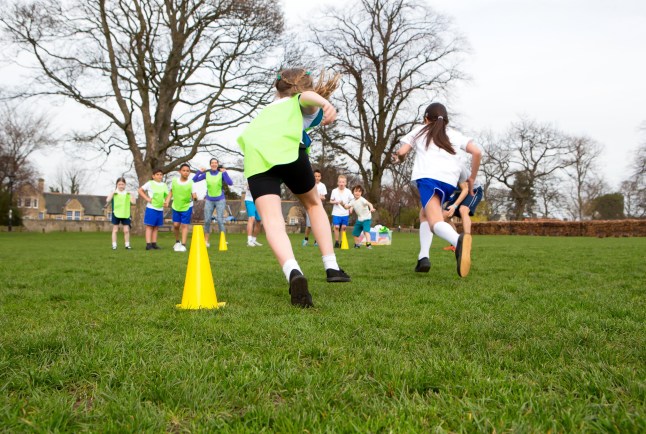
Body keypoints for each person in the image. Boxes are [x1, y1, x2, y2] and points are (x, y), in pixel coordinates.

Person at [237, 68, 350, 308]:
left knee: (272, 221)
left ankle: (293, 272)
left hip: (256, 158)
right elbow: (304, 99)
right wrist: (324, 102)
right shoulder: (298, 102)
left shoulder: (267, 110)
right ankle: (331, 266)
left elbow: (298, 96)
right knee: (313, 203)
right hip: (288, 153)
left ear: (276, 88)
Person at [393, 102, 481, 277]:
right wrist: (472, 177)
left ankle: (458, 242)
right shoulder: (454, 135)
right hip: (449, 182)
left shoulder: (421, 130)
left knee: (434, 223)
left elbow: (402, 152)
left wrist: (398, 158)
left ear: (426, 119)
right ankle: (423, 257)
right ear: (445, 120)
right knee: (424, 213)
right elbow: (477, 152)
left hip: (429, 179)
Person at [192, 158, 233, 248]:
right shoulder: (206, 174)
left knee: (219, 219)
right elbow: (194, 180)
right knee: (207, 220)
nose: (214, 164)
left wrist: (225, 172)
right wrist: (199, 171)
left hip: (220, 200)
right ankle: (206, 241)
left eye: (215, 163)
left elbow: (230, 183)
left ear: (217, 165)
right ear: (210, 165)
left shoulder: (221, 174)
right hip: (209, 200)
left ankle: (223, 240)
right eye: (212, 163)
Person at [164, 163, 197, 252]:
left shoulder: (191, 182)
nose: (186, 172)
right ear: (180, 171)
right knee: (176, 225)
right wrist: (167, 201)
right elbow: (171, 192)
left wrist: (195, 198)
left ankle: (183, 244)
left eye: (187, 171)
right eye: (184, 170)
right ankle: (177, 242)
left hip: (187, 206)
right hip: (176, 206)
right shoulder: (174, 181)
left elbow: (194, 194)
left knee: (184, 225)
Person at [138, 168, 169, 250]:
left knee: (156, 227)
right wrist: (147, 199)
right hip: (151, 208)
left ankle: (154, 244)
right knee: (150, 226)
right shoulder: (150, 183)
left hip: (160, 209)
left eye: (161, 175)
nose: (159, 176)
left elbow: (167, 196)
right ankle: (148, 244)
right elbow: (140, 190)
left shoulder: (164, 185)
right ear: (153, 176)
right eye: (157, 174)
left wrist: (166, 202)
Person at [106, 177, 135, 250]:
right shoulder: (114, 193)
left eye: (122, 184)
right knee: (115, 230)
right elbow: (108, 200)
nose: (121, 186)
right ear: (117, 185)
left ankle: (127, 245)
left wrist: (131, 194)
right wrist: (112, 193)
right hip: (116, 213)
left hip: (125, 213)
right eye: (119, 184)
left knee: (126, 230)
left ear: (125, 185)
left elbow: (133, 202)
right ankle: (114, 245)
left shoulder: (127, 193)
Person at [344, 185, 376, 249]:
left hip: (366, 219)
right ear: (353, 192)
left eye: (359, 191)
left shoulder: (362, 200)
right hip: (359, 220)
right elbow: (348, 206)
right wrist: (346, 206)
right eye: (356, 191)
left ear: (361, 193)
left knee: (366, 231)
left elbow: (370, 204)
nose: (357, 193)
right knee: (355, 233)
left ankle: (368, 245)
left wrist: (371, 208)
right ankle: (357, 245)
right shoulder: (352, 201)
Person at [302, 169, 327, 246]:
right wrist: (316, 197)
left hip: (319, 207)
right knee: (309, 226)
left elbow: (323, 197)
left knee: (318, 225)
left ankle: (317, 241)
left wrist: (319, 197)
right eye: (315, 176)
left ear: (320, 177)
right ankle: (305, 240)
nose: (317, 177)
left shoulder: (322, 186)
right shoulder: (310, 184)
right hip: (310, 207)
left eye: (318, 176)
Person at [329, 174, 353, 248]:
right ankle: (336, 242)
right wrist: (335, 202)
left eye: (343, 182)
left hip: (345, 213)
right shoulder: (334, 191)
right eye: (340, 182)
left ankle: (343, 241)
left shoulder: (348, 191)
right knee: (336, 227)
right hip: (336, 213)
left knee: (343, 227)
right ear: (338, 183)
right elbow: (330, 201)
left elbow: (352, 200)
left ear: (345, 183)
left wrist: (351, 208)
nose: (341, 183)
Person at [244, 183, 263, 247]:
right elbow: (249, 187)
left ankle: (254, 240)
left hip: (259, 200)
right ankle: (249, 240)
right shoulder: (249, 175)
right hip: (249, 200)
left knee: (259, 220)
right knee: (252, 218)